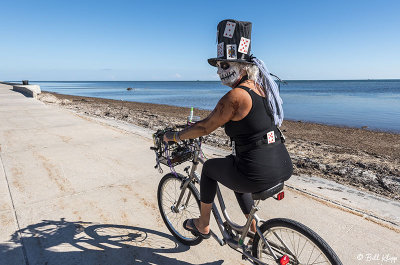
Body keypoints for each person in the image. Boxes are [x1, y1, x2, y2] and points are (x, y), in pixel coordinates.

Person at [163, 19, 293, 239]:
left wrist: (174, 137)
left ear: (242, 67)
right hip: (281, 163)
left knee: (210, 169)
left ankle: (203, 224)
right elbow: (216, 120)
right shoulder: (262, 88)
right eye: (218, 66)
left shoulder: (235, 96)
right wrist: (199, 125)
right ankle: (252, 230)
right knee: (233, 166)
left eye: (225, 65)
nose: (219, 72)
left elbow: (205, 127)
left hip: (257, 172)